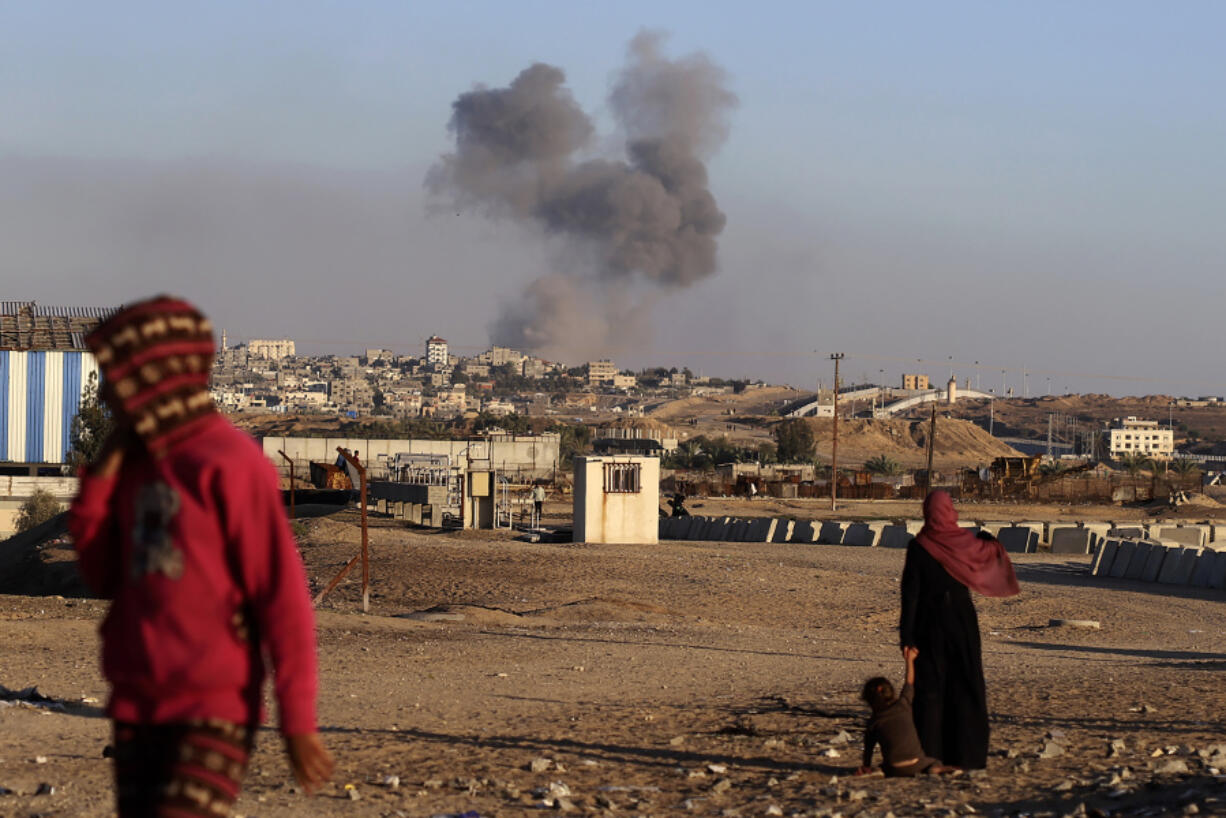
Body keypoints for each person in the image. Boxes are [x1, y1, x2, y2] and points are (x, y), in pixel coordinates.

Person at [68, 296, 334, 816]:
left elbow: (282, 601)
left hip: (213, 708)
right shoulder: (138, 467)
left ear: (156, 379)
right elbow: (101, 575)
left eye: (114, 377)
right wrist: (101, 478)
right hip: (137, 703)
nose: (103, 392)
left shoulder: (230, 465)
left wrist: (297, 723)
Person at [900, 490, 1020, 770]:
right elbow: (991, 551)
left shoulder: (919, 546)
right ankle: (968, 756)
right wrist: (990, 541)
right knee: (965, 685)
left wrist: (906, 637)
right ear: (950, 511)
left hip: (927, 625)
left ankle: (930, 755)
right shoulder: (966, 543)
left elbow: (910, 595)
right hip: (961, 623)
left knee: (930, 690)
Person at [857, 647, 952, 777]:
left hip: (892, 769)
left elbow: (868, 750)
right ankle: (936, 769)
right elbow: (909, 682)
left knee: (882, 766)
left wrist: (866, 766)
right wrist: (910, 660)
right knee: (935, 762)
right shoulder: (903, 705)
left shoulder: (873, 722)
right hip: (917, 764)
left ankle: (878, 771)